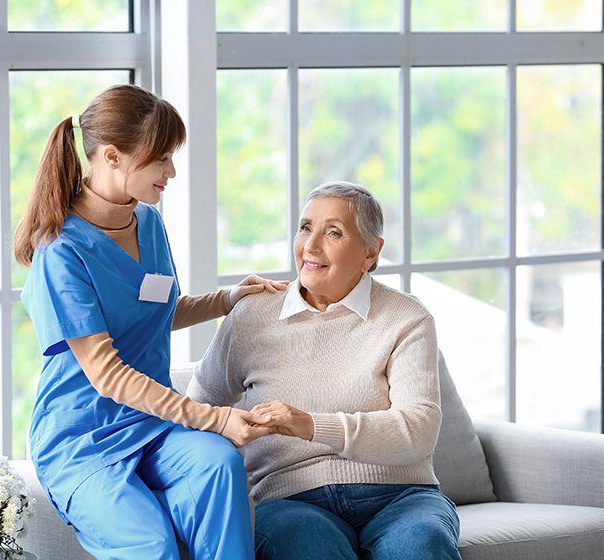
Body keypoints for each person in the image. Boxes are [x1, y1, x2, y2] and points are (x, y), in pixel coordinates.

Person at [13, 84, 284, 560]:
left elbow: (159, 311)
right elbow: (108, 373)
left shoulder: (150, 223)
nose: (172, 171)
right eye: (161, 159)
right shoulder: (60, 251)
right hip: (83, 437)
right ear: (113, 157)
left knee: (221, 464)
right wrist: (216, 418)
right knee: (152, 544)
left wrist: (229, 298)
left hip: (150, 424)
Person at [187, 180, 462, 560]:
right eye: (305, 228)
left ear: (370, 252)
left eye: (333, 232)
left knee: (420, 546)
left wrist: (309, 425)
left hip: (401, 495)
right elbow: (194, 411)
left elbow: (418, 431)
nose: (311, 246)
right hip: (289, 497)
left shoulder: (407, 318)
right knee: (309, 548)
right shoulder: (252, 314)